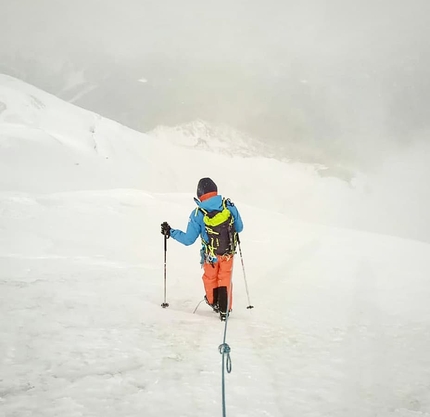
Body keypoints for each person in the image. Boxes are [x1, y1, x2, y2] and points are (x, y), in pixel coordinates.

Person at [161, 177, 243, 321]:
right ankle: (225, 310)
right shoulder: (229, 206)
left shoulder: (198, 213)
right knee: (225, 278)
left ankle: (213, 302)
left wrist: (171, 232)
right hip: (227, 253)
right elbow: (240, 227)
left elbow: (188, 240)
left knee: (210, 278)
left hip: (209, 255)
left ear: (199, 194)